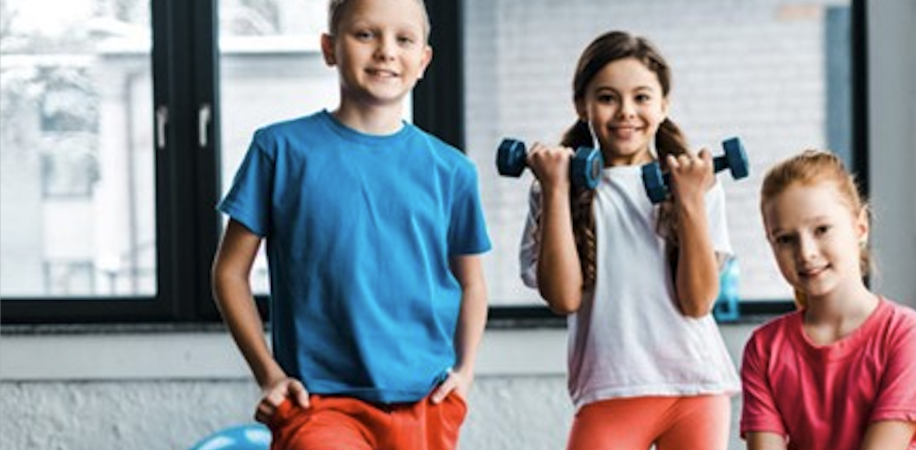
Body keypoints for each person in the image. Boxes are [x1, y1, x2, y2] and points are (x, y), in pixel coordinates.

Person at [211, 0, 490, 448]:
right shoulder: (279, 151)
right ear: (329, 48)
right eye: (365, 34)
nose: (385, 51)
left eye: (404, 39)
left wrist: (465, 372)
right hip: (318, 404)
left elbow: (472, 283)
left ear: (424, 59)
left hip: (426, 404)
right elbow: (229, 273)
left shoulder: (453, 171)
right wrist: (270, 375)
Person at [518, 30, 737, 450]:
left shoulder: (694, 182)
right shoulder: (552, 186)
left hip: (695, 386)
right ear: (582, 106)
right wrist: (555, 190)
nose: (626, 112)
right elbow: (563, 297)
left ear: (663, 105)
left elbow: (698, 302)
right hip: (610, 389)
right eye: (607, 98)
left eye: (641, 97)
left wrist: (690, 199)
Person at [740, 150, 916, 450]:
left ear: (860, 227)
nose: (806, 252)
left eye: (821, 230)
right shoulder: (764, 349)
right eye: (785, 238)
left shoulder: (907, 335)